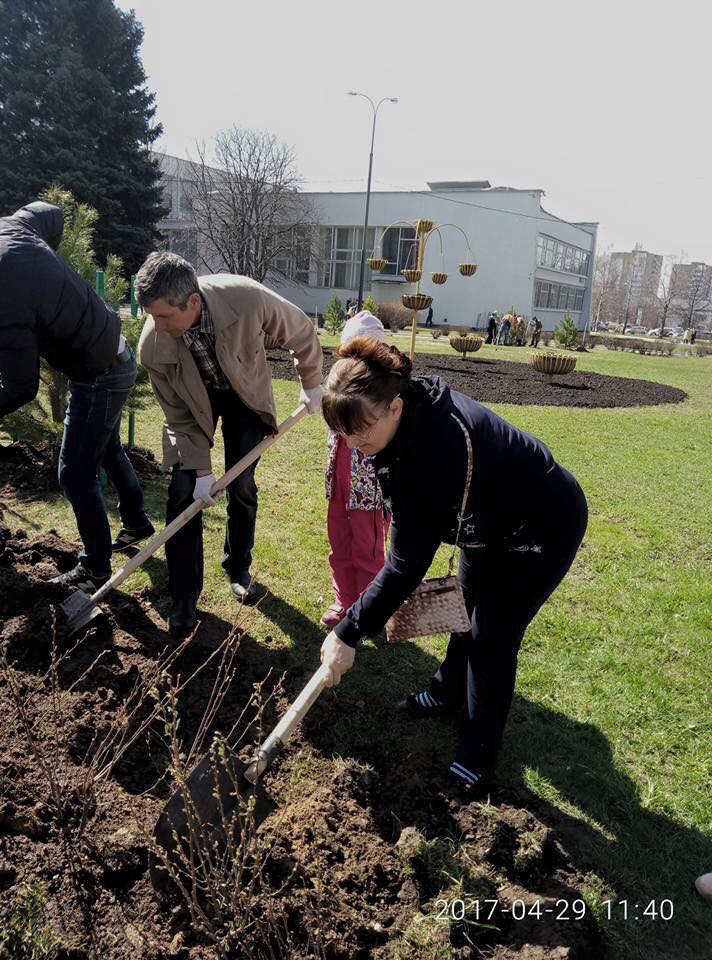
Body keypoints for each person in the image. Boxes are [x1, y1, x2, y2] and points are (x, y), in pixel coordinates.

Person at [318, 338, 587, 791]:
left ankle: (478, 755)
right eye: (342, 433)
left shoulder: (436, 446)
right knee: (464, 617)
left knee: (491, 639)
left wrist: (348, 632)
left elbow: (405, 564)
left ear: (395, 407)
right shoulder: (399, 426)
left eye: (360, 431)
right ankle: (447, 691)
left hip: (542, 526)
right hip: (485, 523)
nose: (353, 444)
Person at [136, 252, 323, 639]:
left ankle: (238, 567)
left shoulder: (246, 298)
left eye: (164, 316)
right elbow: (178, 418)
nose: (157, 325)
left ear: (192, 302)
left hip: (245, 396)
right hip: (192, 407)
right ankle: (185, 595)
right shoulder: (153, 346)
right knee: (183, 492)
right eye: (151, 316)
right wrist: (201, 472)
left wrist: (311, 383)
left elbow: (301, 330)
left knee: (242, 486)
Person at [0, 201, 153, 593]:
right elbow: (48, 211)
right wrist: (47, 267)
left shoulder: (6, 296)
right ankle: (136, 522)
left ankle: (95, 568)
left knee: (74, 472)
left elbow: (21, 386)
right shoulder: (11, 230)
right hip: (115, 355)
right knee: (108, 448)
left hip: (99, 374)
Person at [322, 311, 391, 628]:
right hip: (339, 483)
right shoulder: (339, 385)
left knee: (368, 548)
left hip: (369, 490)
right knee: (339, 543)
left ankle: (369, 608)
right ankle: (345, 600)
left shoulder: (384, 392)